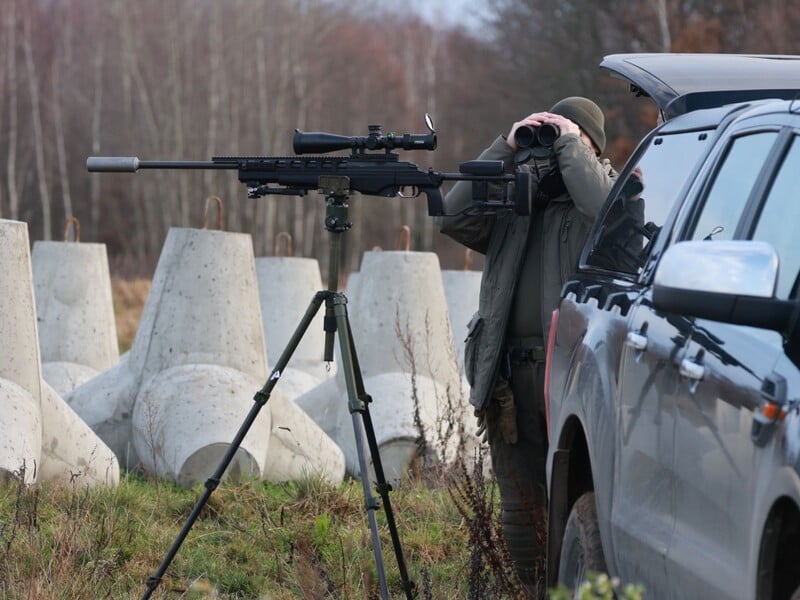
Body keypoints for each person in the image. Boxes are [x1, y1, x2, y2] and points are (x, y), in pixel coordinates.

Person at [440, 97, 617, 598]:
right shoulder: (515, 203)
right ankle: (529, 590)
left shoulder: (606, 193)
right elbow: (453, 218)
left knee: (576, 501)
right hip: (511, 383)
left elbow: (605, 210)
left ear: (589, 147)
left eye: (565, 139)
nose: (550, 148)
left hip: (571, 377)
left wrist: (569, 146)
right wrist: (508, 144)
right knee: (520, 512)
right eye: (547, 137)